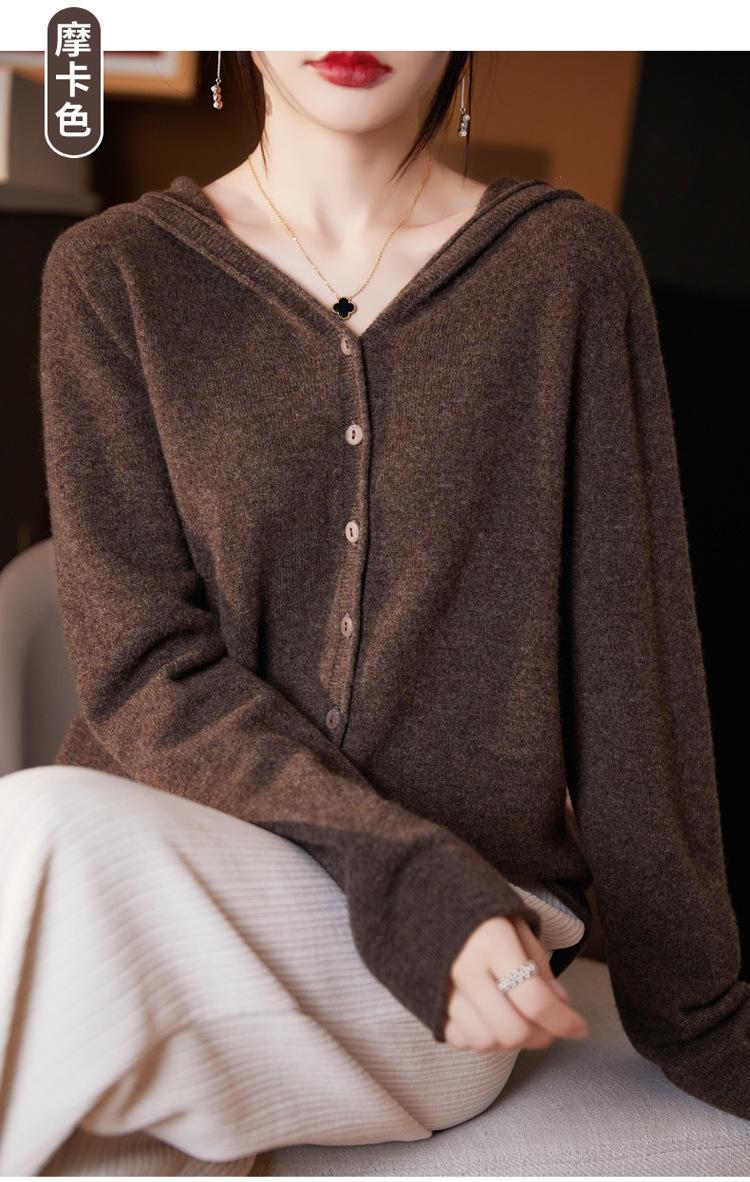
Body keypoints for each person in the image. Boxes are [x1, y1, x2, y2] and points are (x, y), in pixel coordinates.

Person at [2, 49, 747, 1175]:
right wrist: (396, 867)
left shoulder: (565, 270)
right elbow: (140, 664)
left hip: (453, 960)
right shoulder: (113, 275)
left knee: (43, 840)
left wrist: (701, 1015)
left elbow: (630, 686)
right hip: (168, 885)